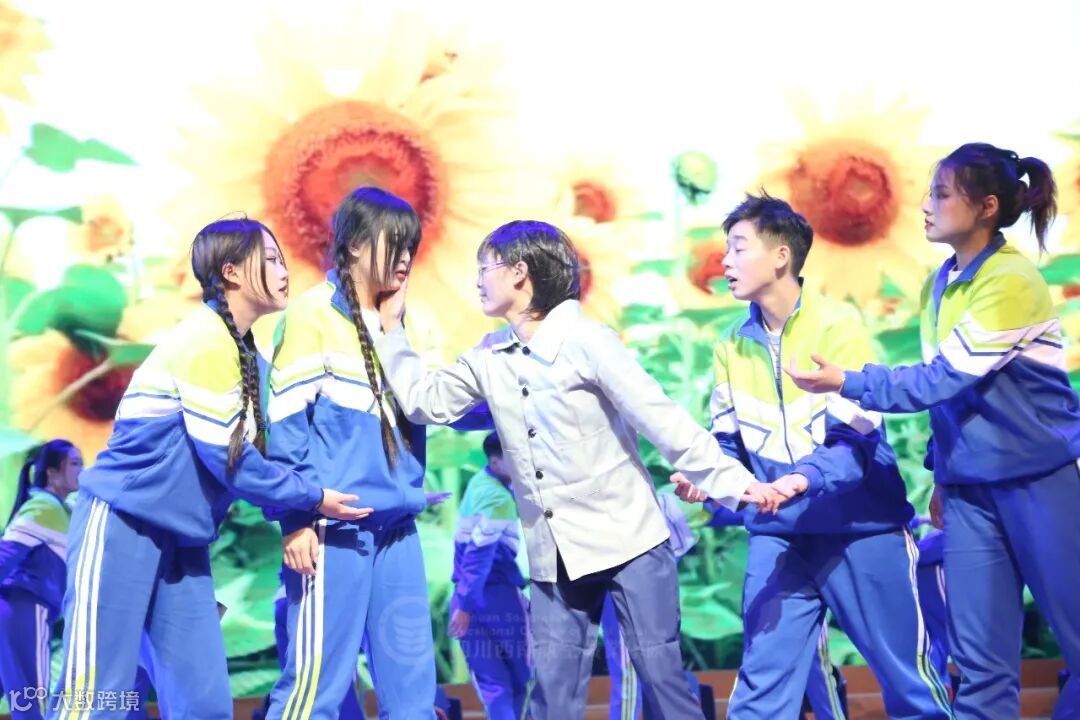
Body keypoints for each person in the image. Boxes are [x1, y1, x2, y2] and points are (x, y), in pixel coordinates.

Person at [375, 218, 782, 719]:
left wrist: (739, 485)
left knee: (661, 678)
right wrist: (390, 330)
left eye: (484, 268)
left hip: (631, 540)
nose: (477, 280)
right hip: (555, 554)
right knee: (553, 693)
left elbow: (663, 421)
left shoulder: (588, 340)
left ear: (519, 272)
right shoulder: (489, 356)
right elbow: (424, 401)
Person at [785, 142, 1080, 719]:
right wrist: (942, 474)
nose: (925, 205)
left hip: (1041, 483)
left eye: (942, 194)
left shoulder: (1010, 280)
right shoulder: (938, 284)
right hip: (970, 490)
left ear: (987, 207)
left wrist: (848, 380)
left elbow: (938, 380)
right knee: (980, 663)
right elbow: (948, 401)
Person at [47, 218, 366, 720]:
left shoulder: (248, 356)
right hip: (121, 526)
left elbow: (281, 440)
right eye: (271, 259)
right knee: (93, 693)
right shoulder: (204, 340)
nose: (284, 271)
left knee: (204, 702)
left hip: (183, 543)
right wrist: (312, 497)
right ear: (231, 272)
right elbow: (232, 461)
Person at [681, 193, 951, 718]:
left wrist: (801, 480)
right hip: (778, 535)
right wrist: (709, 477)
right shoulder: (729, 345)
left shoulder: (837, 325)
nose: (725, 262)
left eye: (738, 248)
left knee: (910, 683)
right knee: (760, 690)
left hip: (861, 530)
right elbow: (728, 442)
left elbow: (856, 442)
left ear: (781, 256)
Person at [264, 188, 437, 720]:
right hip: (332, 528)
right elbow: (285, 428)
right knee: (315, 687)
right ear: (356, 244)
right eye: (395, 244)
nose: (406, 258)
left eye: (411, 246)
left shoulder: (410, 322)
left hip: (398, 530)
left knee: (413, 696)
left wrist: (392, 329)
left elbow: (429, 406)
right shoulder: (312, 314)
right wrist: (296, 519)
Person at [449, 431, 530, 720]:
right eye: (515, 456)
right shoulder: (498, 498)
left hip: (465, 596)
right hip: (495, 597)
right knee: (524, 677)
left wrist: (462, 602)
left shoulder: (479, 481)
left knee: (493, 685)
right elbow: (478, 554)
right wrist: (467, 604)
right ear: (496, 462)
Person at [0, 441, 81, 719]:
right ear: (52, 472)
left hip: (15, 611)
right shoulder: (45, 506)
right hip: (25, 609)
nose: (82, 470)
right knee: (33, 702)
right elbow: (6, 555)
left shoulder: (61, 508)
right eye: (75, 463)